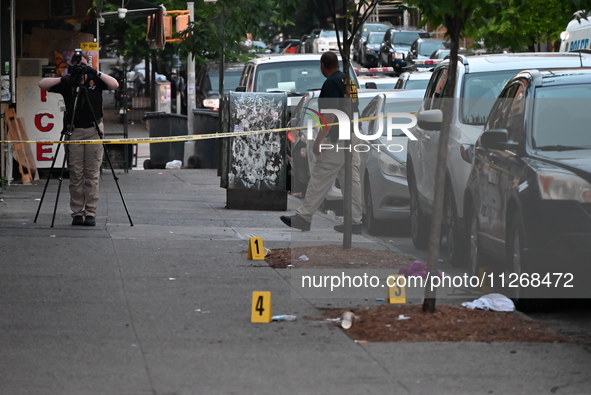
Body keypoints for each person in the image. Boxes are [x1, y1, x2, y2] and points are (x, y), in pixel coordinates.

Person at [280, 51, 363, 234]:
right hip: (351, 135)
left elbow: (330, 114)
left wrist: (319, 141)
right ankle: (355, 221)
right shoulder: (348, 81)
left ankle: (304, 217)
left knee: (320, 176)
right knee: (351, 181)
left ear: (322, 66)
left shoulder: (331, 83)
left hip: (335, 138)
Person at [38, 51, 119, 226]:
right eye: (76, 64)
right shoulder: (68, 83)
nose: (80, 68)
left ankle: (91, 213)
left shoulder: (94, 80)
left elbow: (114, 85)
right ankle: (77, 213)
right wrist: (66, 78)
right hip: (73, 130)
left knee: (91, 174)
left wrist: (94, 71)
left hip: (93, 129)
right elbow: (42, 84)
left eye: (82, 64)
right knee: (75, 174)